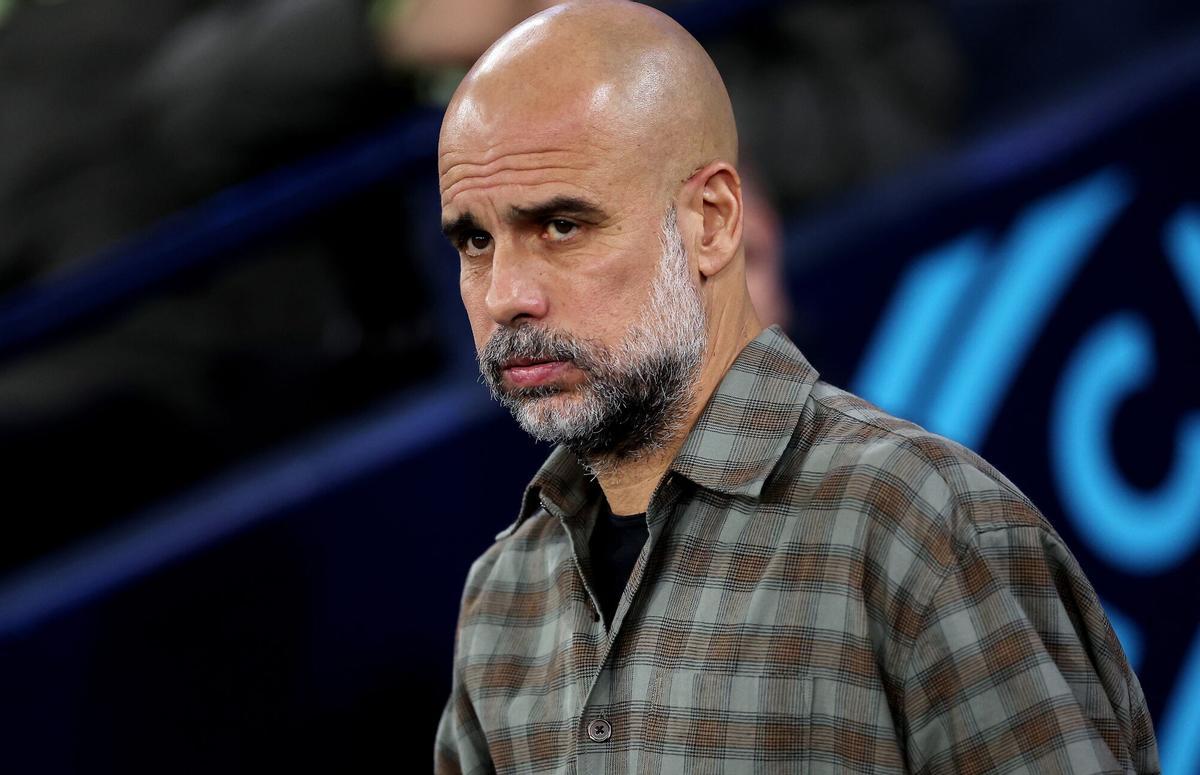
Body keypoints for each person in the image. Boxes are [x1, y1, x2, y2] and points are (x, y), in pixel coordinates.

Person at [434, 2, 1159, 772]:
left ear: (712, 223)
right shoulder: (504, 598)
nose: (506, 292)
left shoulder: (916, 522)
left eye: (561, 225)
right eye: (475, 239)